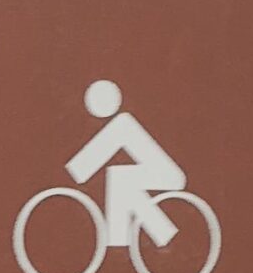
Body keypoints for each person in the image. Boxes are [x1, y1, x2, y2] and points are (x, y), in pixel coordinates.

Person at [66, 79, 186, 251]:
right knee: (119, 177)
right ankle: (122, 245)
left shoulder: (123, 126)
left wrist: (79, 170)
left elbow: (87, 163)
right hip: (155, 176)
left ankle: (163, 235)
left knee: (120, 177)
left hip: (168, 178)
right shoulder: (121, 125)